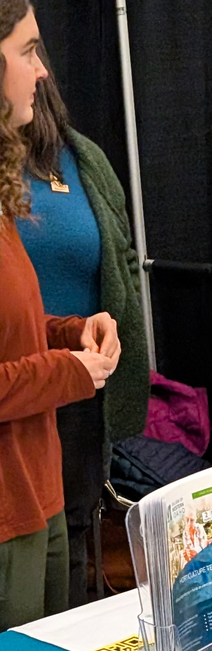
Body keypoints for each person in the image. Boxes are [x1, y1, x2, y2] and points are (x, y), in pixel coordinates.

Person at [0, 0, 119, 630]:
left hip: (38, 494)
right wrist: (66, 372)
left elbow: (12, 330)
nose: (42, 72)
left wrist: (70, 332)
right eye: (27, 51)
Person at [17, 45, 149, 607]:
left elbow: (119, 263)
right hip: (17, 392)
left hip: (78, 385)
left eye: (37, 53)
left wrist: (98, 336)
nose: (40, 70)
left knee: (69, 543)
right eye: (24, 54)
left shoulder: (83, 158)